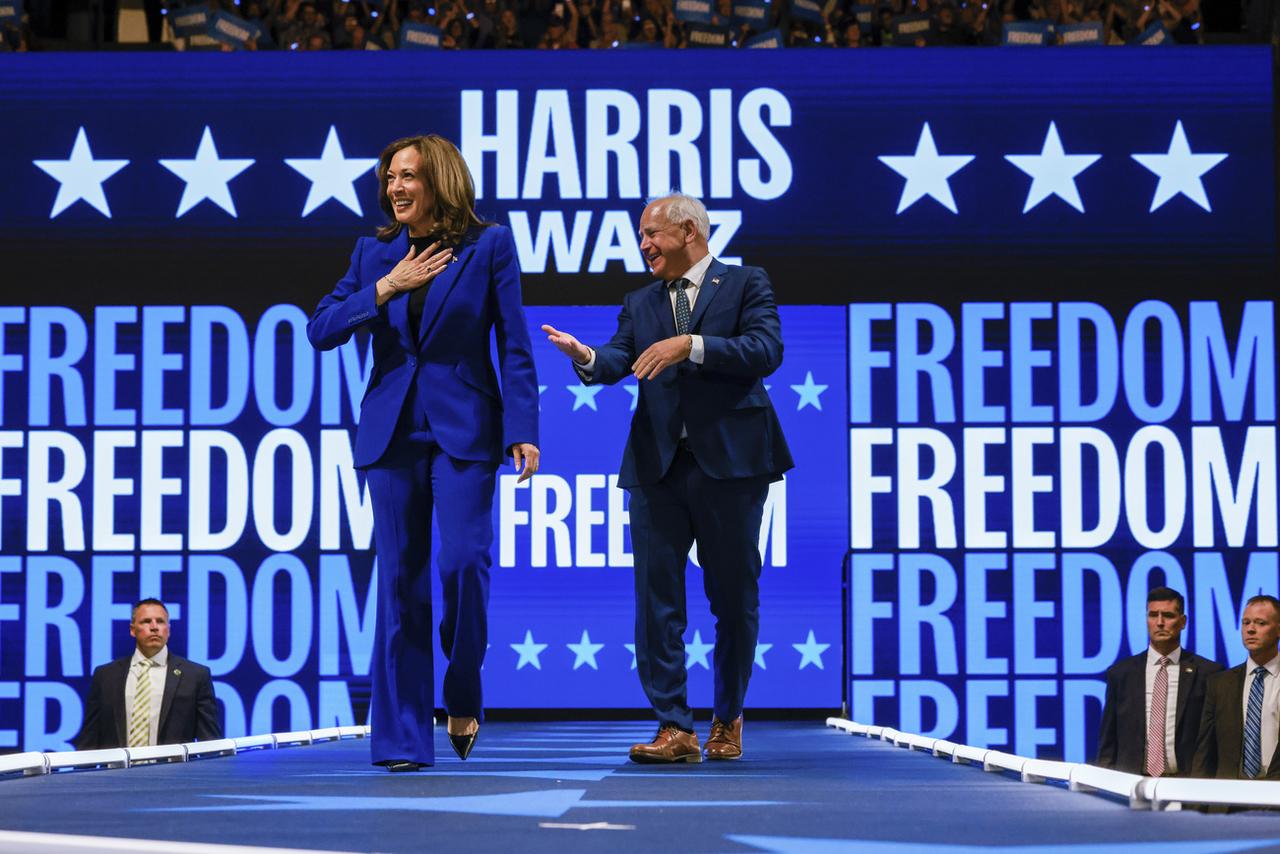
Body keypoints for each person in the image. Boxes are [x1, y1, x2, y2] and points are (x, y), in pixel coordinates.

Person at [307, 134, 539, 772]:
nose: (395, 187)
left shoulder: (488, 244)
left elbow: (514, 345)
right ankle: (404, 741)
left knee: (464, 563)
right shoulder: (372, 253)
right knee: (400, 583)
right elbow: (320, 329)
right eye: (389, 178)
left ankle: (462, 683)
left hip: (465, 426)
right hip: (391, 433)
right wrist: (383, 288)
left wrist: (524, 427)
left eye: (408, 175)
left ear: (438, 180)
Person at [542, 193, 793, 763]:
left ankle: (726, 719)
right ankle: (674, 727)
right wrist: (584, 355)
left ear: (689, 232)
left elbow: (766, 349)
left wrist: (693, 345)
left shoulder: (747, 282)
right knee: (655, 601)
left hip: (732, 465)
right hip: (657, 467)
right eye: (641, 236)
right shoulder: (640, 300)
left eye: (651, 233)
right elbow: (617, 360)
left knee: (733, 596)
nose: (643, 244)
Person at [1094, 587, 1221, 775]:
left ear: (1183, 622)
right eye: (1153, 615)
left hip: (1187, 786)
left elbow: (1215, 742)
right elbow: (1108, 743)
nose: (1160, 623)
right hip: (1131, 787)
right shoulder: (1121, 674)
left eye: (1168, 616)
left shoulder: (1208, 673)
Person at [76, 599, 221, 750]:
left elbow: (210, 741)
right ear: (132, 629)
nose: (154, 627)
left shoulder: (195, 676)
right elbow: (89, 739)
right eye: (146, 621)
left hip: (174, 772)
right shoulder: (105, 676)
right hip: (117, 772)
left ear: (168, 629)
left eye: (160, 621)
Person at [1192, 595, 1280, 779]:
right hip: (1230, 797)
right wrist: (1197, 805)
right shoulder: (1219, 684)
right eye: (1246, 622)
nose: (1251, 629)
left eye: (1260, 623)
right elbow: (1205, 752)